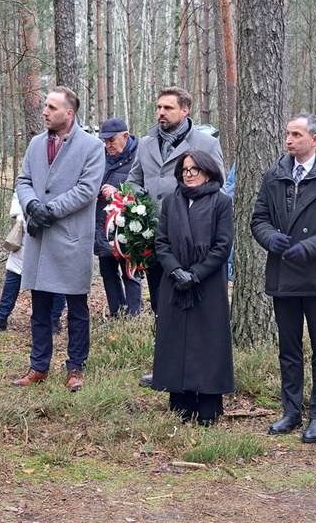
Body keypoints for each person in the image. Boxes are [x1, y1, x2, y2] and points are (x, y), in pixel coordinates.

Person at [250, 112, 316, 443]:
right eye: (287, 133)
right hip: (284, 273)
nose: (289, 140)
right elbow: (259, 219)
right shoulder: (274, 175)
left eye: (296, 134)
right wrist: (270, 238)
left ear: (315, 139)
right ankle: (291, 411)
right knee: (289, 348)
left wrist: (309, 247)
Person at [126, 87, 225, 386]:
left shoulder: (205, 143)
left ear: (185, 110)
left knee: (196, 308)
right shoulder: (146, 143)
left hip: (194, 245)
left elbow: (218, 187)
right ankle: (165, 367)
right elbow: (134, 179)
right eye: (159, 107)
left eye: (168, 108)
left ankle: (196, 368)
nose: (161, 113)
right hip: (154, 240)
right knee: (161, 306)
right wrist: (138, 204)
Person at [13, 86, 105, 391]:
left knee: (77, 308)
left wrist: (49, 209)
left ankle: (75, 368)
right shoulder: (36, 143)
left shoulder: (92, 147)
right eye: (45, 106)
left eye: (52, 107)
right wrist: (31, 206)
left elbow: (87, 189)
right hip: (40, 237)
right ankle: (39, 366)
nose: (45, 112)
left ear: (69, 113)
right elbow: (24, 180)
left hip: (70, 239)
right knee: (40, 308)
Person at [152, 151, 234, 425]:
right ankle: (181, 405)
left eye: (194, 169)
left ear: (208, 173)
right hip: (174, 282)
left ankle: (208, 408)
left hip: (207, 284)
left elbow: (223, 245)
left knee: (208, 342)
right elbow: (161, 242)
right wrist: (176, 271)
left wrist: (196, 274)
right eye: (184, 170)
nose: (188, 174)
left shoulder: (221, 202)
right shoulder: (171, 202)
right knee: (176, 342)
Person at [0, 194, 67, 333]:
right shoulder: (27, 181)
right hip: (25, 231)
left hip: (52, 231)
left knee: (56, 277)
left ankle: (54, 320)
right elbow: (20, 192)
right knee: (13, 274)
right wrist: (20, 217)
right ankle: (1, 318)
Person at [95, 117, 142, 318]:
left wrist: (120, 192)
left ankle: (132, 315)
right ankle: (117, 312)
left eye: (112, 140)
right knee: (108, 272)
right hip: (103, 224)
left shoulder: (140, 156)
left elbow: (145, 189)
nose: (108, 145)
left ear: (125, 136)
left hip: (129, 226)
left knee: (130, 272)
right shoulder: (100, 157)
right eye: (105, 141)